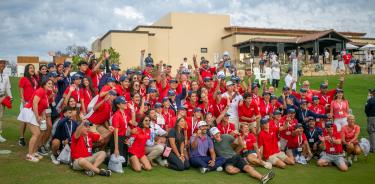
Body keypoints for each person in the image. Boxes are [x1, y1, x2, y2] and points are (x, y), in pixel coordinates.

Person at [210, 127, 274, 184]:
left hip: (235, 156)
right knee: (230, 170)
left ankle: (263, 178)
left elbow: (237, 142)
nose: (217, 135)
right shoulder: (211, 143)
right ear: (212, 136)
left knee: (247, 168)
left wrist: (239, 136)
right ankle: (243, 168)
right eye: (215, 134)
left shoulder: (225, 136)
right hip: (226, 160)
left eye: (218, 133)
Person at [17, 79, 54, 162]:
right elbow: (34, 103)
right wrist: (37, 116)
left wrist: (43, 116)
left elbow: (44, 107)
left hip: (35, 113)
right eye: (49, 83)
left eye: (52, 84)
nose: (51, 85)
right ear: (44, 84)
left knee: (40, 133)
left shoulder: (45, 93)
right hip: (30, 112)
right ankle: (29, 155)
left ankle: (34, 152)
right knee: (36, 133)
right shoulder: (40, 91)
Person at [109, 96, 135, 167]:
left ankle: (110, 156)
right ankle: (107, 158)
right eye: (123, 103)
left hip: (123, 137)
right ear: (118, 105)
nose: (125, 104)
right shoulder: (116, 115)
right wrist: (116, 148)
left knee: (124, 163)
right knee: (116, 160)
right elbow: (115, 133)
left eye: (125, 103)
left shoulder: (125, 113)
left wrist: (133, 111)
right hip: (117, 138)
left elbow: (133, 122)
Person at [18, 64, 38, 146]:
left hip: (34, 102)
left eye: (33, 68)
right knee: (24, 121)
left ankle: (34, 136)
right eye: (30, 68)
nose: (32, 69)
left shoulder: (35, 79)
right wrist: (22, 99)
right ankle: (21, 138)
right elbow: (21, 89)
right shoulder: (24, 79)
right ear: (27, 69)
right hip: (26, 102)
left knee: (33, 120)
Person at [0, 59, 13, 142]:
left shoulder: (6, 75)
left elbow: (8, 87)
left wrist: (10, 97)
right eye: (1, 63)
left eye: (4, 64)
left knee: (0, 117)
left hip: (2, 97)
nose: (3, 65)